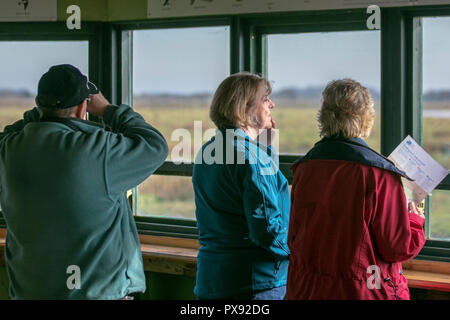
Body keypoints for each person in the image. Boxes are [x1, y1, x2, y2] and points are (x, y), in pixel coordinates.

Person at [0, 64, 168, 299]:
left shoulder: (9, 149)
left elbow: (13, 130)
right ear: (83, 108)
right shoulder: (96, 150)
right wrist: (109, 109)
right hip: (95, 293)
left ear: (39, 104)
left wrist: (38, 118)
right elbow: (154, 145)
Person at [286, 79, 426, 300]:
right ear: (366, 118)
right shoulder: (380, 174)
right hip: (362, 292)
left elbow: (293, 238)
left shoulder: (303, 168)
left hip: (306, 290)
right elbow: (397, 248)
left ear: (324, 116)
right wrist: (414, 221)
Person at [192, 72, 290, 300]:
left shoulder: (207, 151)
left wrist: (265, 144)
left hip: (213, 279)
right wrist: (299, 252)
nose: (271, 105)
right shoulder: (252, 157)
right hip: (252, 283)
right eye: (265, 98)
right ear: (245, 106)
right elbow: (267, 230)